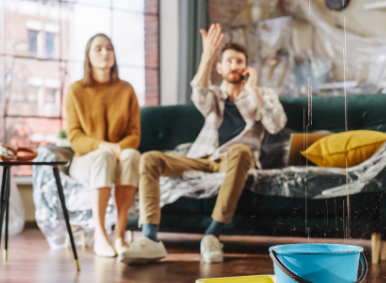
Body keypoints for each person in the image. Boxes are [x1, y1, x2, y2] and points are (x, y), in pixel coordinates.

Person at [119, 23, 287, 264]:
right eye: (229, 61)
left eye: (239, 61)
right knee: (149, 159)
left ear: (247, 67)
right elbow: (198, 92)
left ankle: (212, 234)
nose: (234, 65)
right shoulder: (215, 96)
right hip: (201, 157)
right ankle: (150, 239)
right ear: (220, 68)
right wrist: (207, 55)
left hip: (232, 160)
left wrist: (253, 90)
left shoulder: (264, 95)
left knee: (241, 150)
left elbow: (275, 125)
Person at [66, 33, 141, 258]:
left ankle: (119, 235)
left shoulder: (126, 89)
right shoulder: (75, 90)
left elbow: (134, 134)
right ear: (88, 57)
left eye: (109, 48)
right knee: (103, 156)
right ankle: (100, 236)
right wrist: (103, 146)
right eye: (98, 49)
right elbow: (74, 137)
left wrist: (116, 148)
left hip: (118, 155)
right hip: (85, 160)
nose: (105, 53)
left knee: (132, 156)